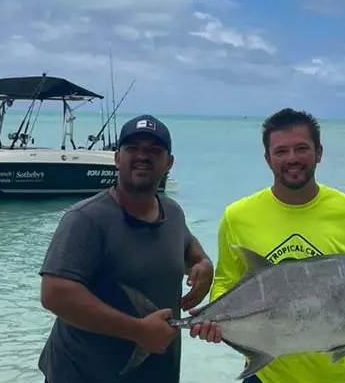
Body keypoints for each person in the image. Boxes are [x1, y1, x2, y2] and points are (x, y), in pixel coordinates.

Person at [190, 108, 345, 383]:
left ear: (319, 153)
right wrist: (213, 319)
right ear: (268, 159)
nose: (292, 159)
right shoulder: (237, 216)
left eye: (301, 148)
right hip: (265, 376)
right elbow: (227, 281)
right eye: (281, 151)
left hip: (337, 377)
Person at [38, 113, 214, 383]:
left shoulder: (172, 212)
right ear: (117, 158)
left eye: (154, 150)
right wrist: (138, 331)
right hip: (81, 375)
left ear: (169, 163)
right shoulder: (86, 219)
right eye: (133, 148)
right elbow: (55, 294)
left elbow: (186, 244)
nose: (143, 156)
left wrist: (203, 265)